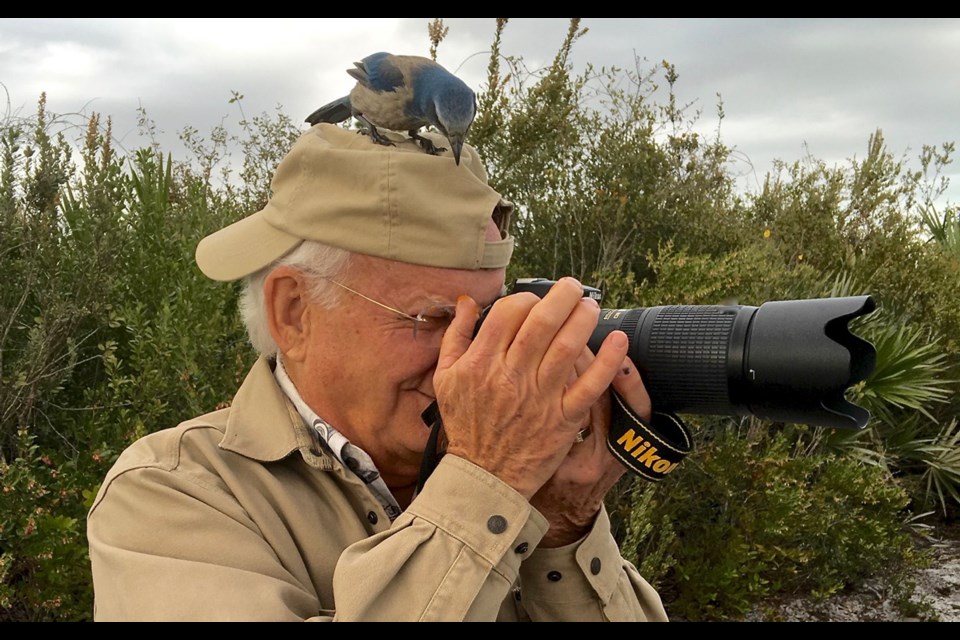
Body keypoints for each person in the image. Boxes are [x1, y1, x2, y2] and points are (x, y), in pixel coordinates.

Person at [86, 123, 671, 621]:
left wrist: (564, 523)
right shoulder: (173, 494)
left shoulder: (500, 467)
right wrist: (490, 480)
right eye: (433, 317)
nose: (468, 358)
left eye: (490, 318)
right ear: (294, 313)